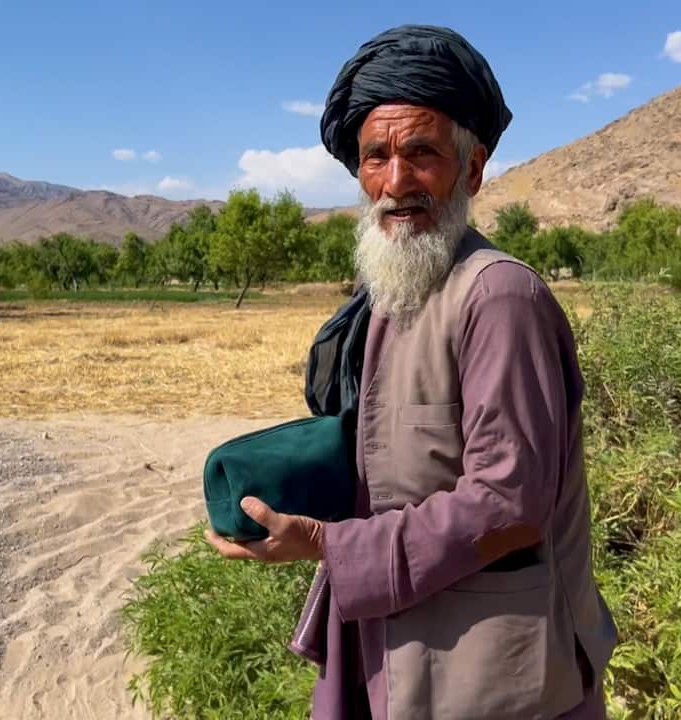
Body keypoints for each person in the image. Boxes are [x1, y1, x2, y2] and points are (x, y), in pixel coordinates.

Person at [206, 24, 617, 720]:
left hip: (485, 670)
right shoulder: (395, 292)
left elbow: (509, 502)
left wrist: (327, 543)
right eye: (377, 157)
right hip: (394, 643)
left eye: (422, 153)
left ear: (472, 168)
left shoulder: (498, 296)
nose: (396, 183)